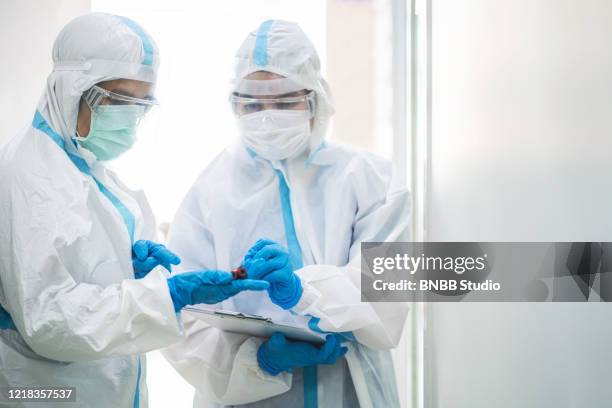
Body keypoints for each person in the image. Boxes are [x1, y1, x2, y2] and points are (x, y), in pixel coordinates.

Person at [0, 13, 268, 408]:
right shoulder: (33, 174)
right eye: (123, 100)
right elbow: (49, 316)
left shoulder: (82, 166)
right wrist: (168, 297)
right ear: (74, 89)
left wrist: (123, 266)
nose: (132, 116)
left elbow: (71, 270)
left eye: (143, 103)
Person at [162, 20, 411, 408]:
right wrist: (257, 362)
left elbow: (386, 295)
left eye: (284, 101)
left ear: (315, 99)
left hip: (349, 389)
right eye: (252, 103)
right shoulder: (208, 192)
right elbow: (182, 319)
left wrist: (305, 293)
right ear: (234, 106)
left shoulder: (370, 179)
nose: (267, 116)